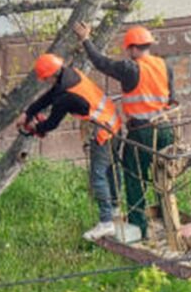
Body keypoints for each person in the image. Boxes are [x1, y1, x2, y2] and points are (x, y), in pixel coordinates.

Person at [73, 21, 174, 241]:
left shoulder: (131, 68)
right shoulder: (164, 65)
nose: (127, 53)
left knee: (133, 175)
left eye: (128, 49)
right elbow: (171, 98)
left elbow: (102, 63)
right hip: (166, 128)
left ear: (133, 48)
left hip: (143, 131)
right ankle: (169, 221)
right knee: (163, 176)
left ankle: (139, 226)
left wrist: (85, 39)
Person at [17, 53, 122, 241]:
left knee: (98, 175)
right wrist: (28, 112)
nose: (45, 82)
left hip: (102, 130)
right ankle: (114, 209)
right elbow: (48, 97)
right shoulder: (71, 74)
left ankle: (106, 223)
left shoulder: (66, 96)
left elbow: (52, 123)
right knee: (110, 169)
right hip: (113, 121)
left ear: (50, 75)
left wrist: (35, 127)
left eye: (45, 78)